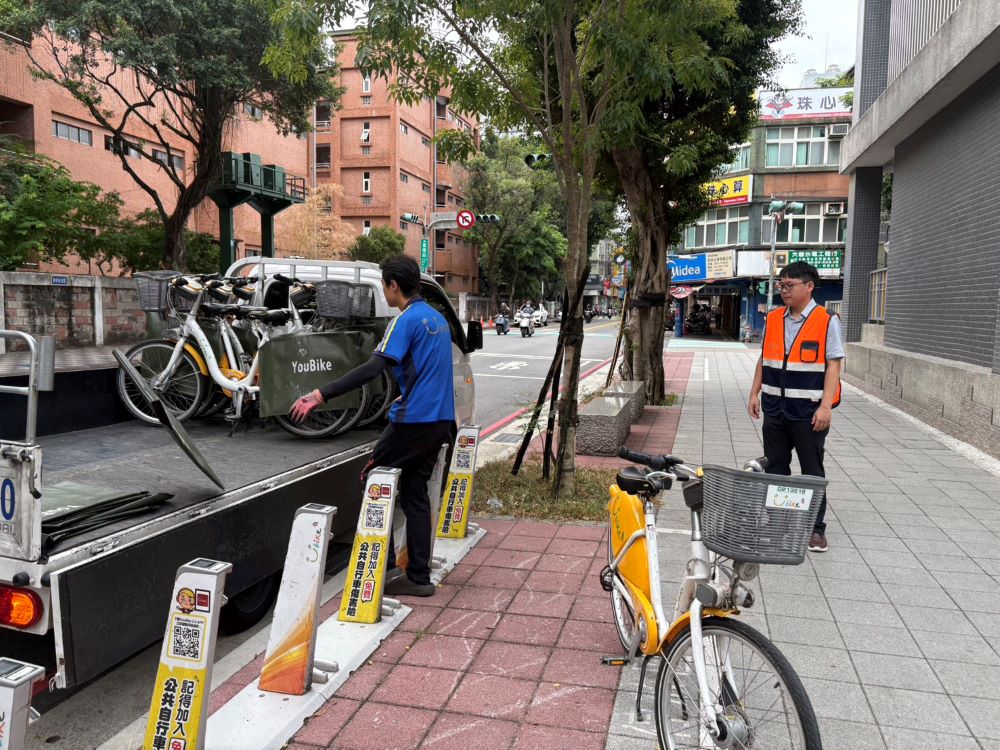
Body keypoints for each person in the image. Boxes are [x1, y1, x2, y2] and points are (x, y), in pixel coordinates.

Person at [290, 255, 455, 596]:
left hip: (414, 422)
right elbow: (433, 370)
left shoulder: (406, 319)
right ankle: (418, 578)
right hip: (440, 419)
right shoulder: (437, 319)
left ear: (394, 286)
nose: (385, 291)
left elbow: (373, 368)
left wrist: (321, 394)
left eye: (384, 285)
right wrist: (407, 395)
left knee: (373, 479)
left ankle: (386, 567)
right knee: (413, 494)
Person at [748, 261, 844, 553]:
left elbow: (834, 365)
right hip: (775, 408)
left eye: (789, 285)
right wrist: (754, 393)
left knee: (812, 469)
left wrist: (825, 407)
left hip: (808, 412)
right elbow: (765, 359)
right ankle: (778, 522)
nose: (784, 291)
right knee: (776, 468)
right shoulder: (775, 318)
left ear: (809, 286)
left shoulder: (827, 320)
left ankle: (816, 529)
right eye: (781, 285)